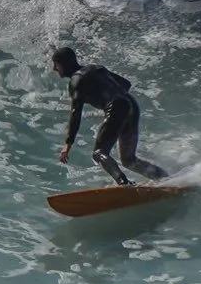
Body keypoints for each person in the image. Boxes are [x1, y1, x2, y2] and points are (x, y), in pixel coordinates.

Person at [51, 47, 168, 185]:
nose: (54, 69)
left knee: (99, 153)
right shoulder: (96, 68)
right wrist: (110, 96)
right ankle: (166, 178)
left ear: (64, 64)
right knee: (128, 160)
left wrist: (68, 144)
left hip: (117, 108)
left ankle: (124, 184)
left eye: (56, 64)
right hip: (131, 104)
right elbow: (126, 84)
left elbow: (76, 114)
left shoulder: (75, 82)